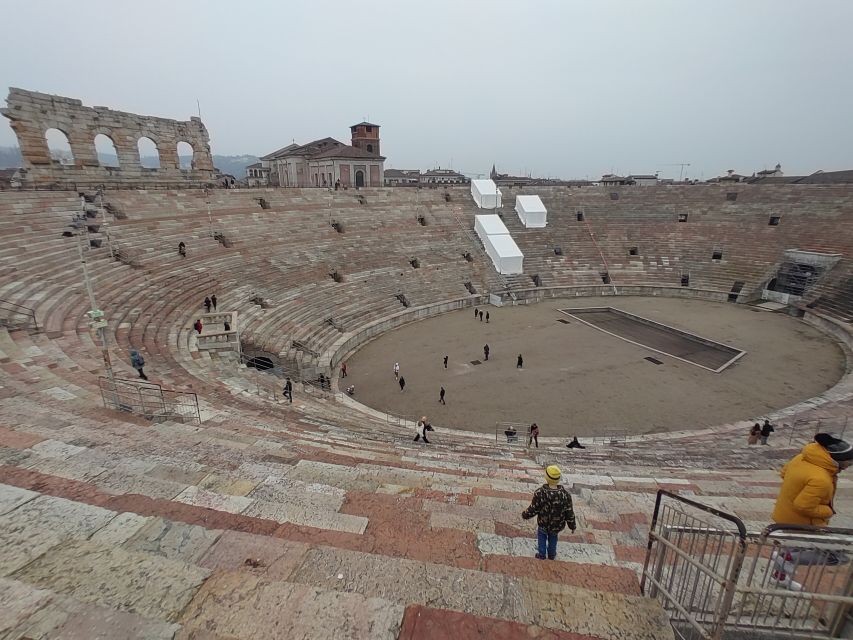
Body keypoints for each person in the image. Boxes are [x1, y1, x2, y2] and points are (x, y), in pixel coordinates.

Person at [770, 433, 853, 590]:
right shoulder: (821, 479)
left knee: (794, 547)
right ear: (837, 460)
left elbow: (783, 472)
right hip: (802, 524)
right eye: (849, 461)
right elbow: (803, 506)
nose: (850, 465)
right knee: (837, 556)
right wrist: (827, 510)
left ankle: (779, 576)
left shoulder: (801, 458)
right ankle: (786, 558)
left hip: (783, 515)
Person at [521, 465, 577, 560]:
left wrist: (525, 515)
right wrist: (572, 526)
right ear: (558, 479)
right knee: (553, 538)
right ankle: (551, 555)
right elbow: (569, 513)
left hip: (543, 523)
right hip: (557, 525)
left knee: (542, 537)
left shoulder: (540, 493)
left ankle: (542, 554)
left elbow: (533, 508)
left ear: (546, 477)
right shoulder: (565, 495)